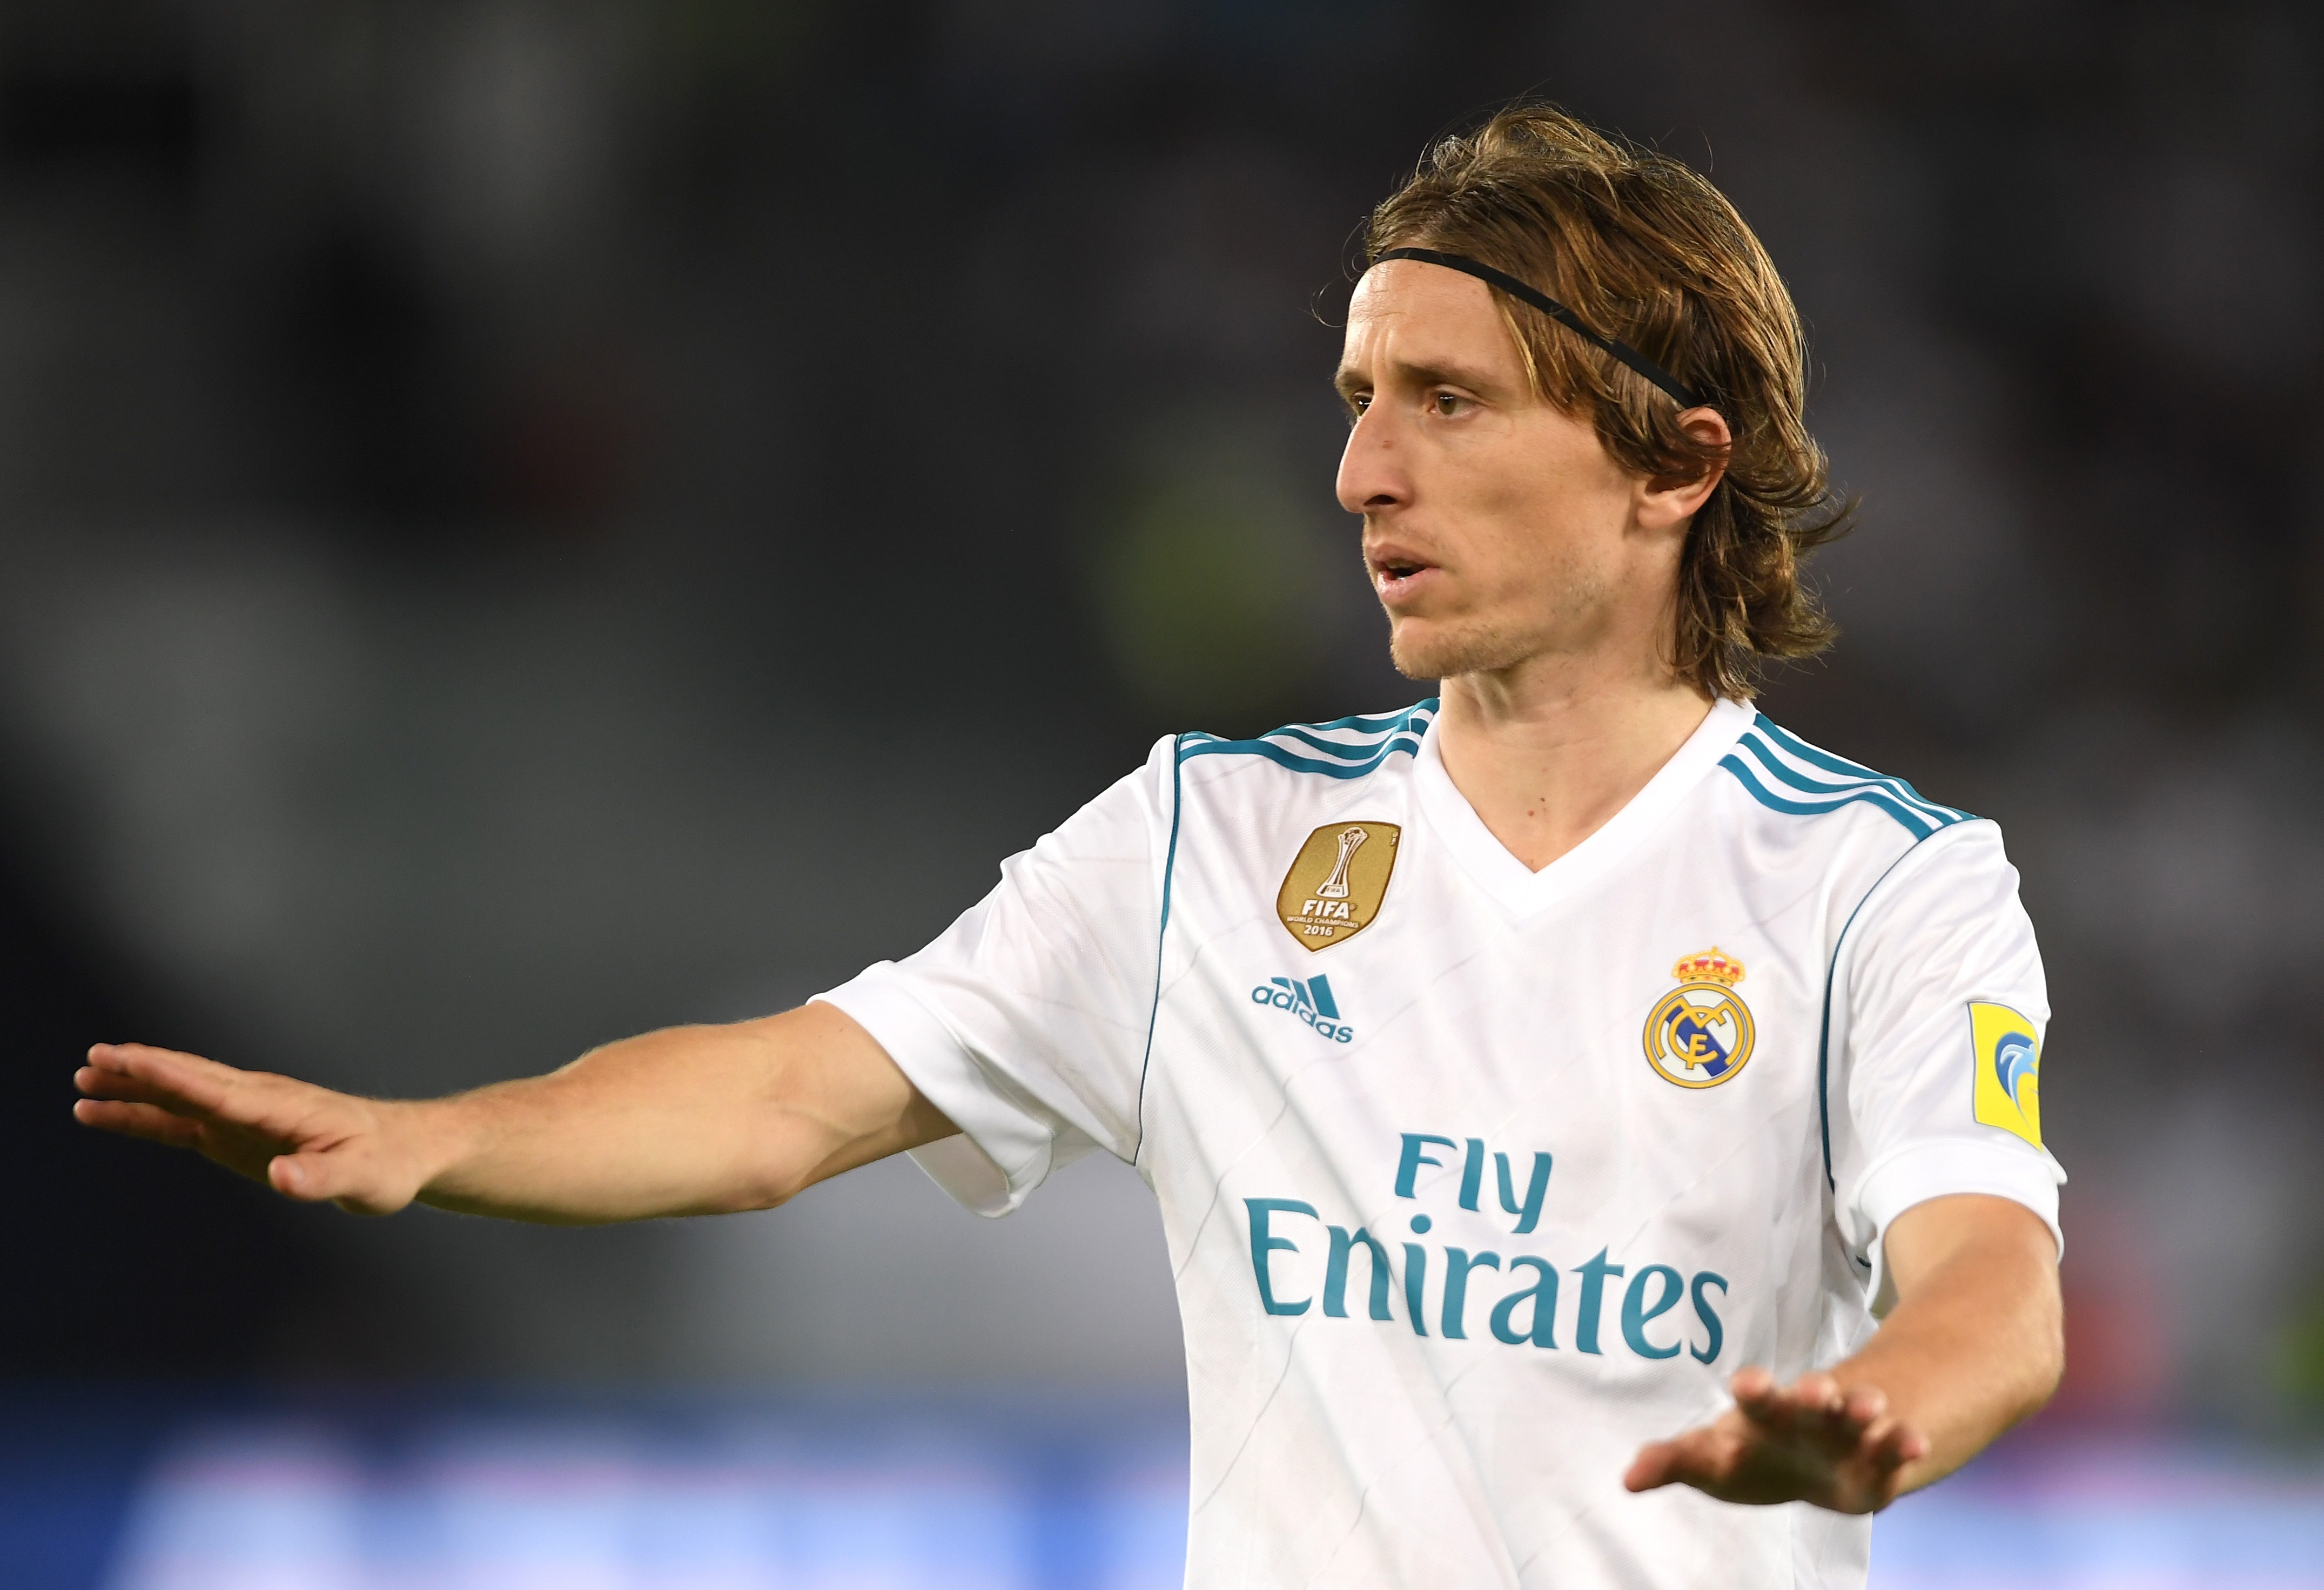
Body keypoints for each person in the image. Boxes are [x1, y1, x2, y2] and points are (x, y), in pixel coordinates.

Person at [73, 104, 2064, 1588]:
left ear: (1676, 464)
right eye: (1361, 400)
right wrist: (437, 1137)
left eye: (1450, 404)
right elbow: (785, 1099)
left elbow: (1992, 1279)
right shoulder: (1215, 839)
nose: (1361, 472)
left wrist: (1880, 1415)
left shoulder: (1880, 888)